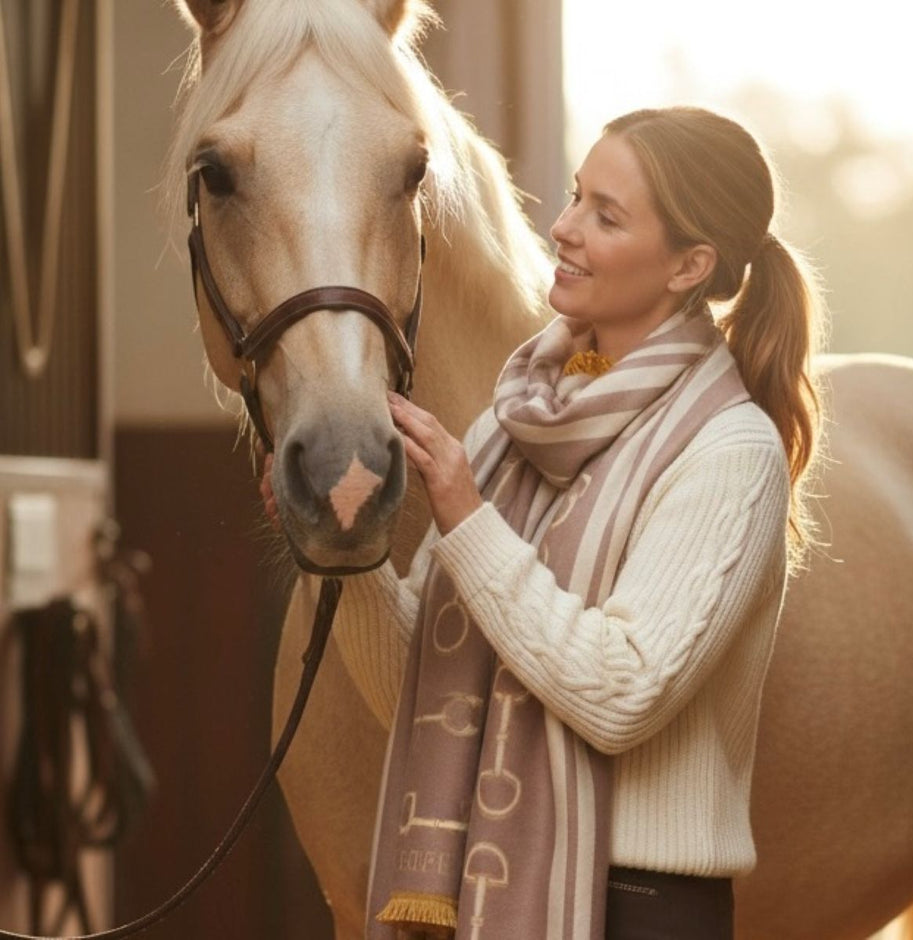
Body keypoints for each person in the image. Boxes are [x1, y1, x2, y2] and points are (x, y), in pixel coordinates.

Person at [265, 106, 824, 939]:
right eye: (573, 198)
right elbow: (413, 690)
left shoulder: (729, 451)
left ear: (689, 265)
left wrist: (464, 514)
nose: (562, 229)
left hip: (640, 909)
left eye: (606, 216)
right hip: (490, 887)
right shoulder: (520, 418)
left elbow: (623, 694)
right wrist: (342, 553)